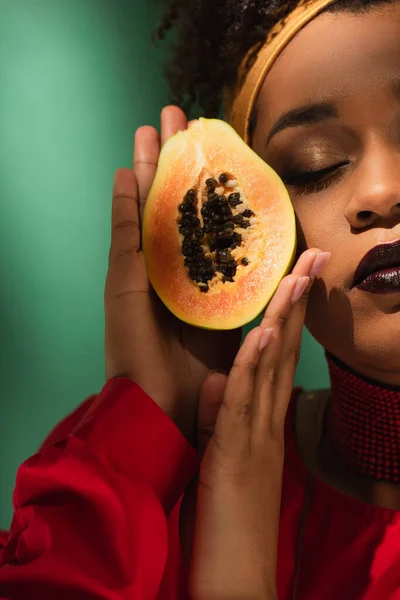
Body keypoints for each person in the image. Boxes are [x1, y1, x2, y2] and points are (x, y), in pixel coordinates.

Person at [0, 0, 400, 598]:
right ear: (266, 227)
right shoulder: (159, 494)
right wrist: (142, 425)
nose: (381, 191)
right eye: (317, 165)